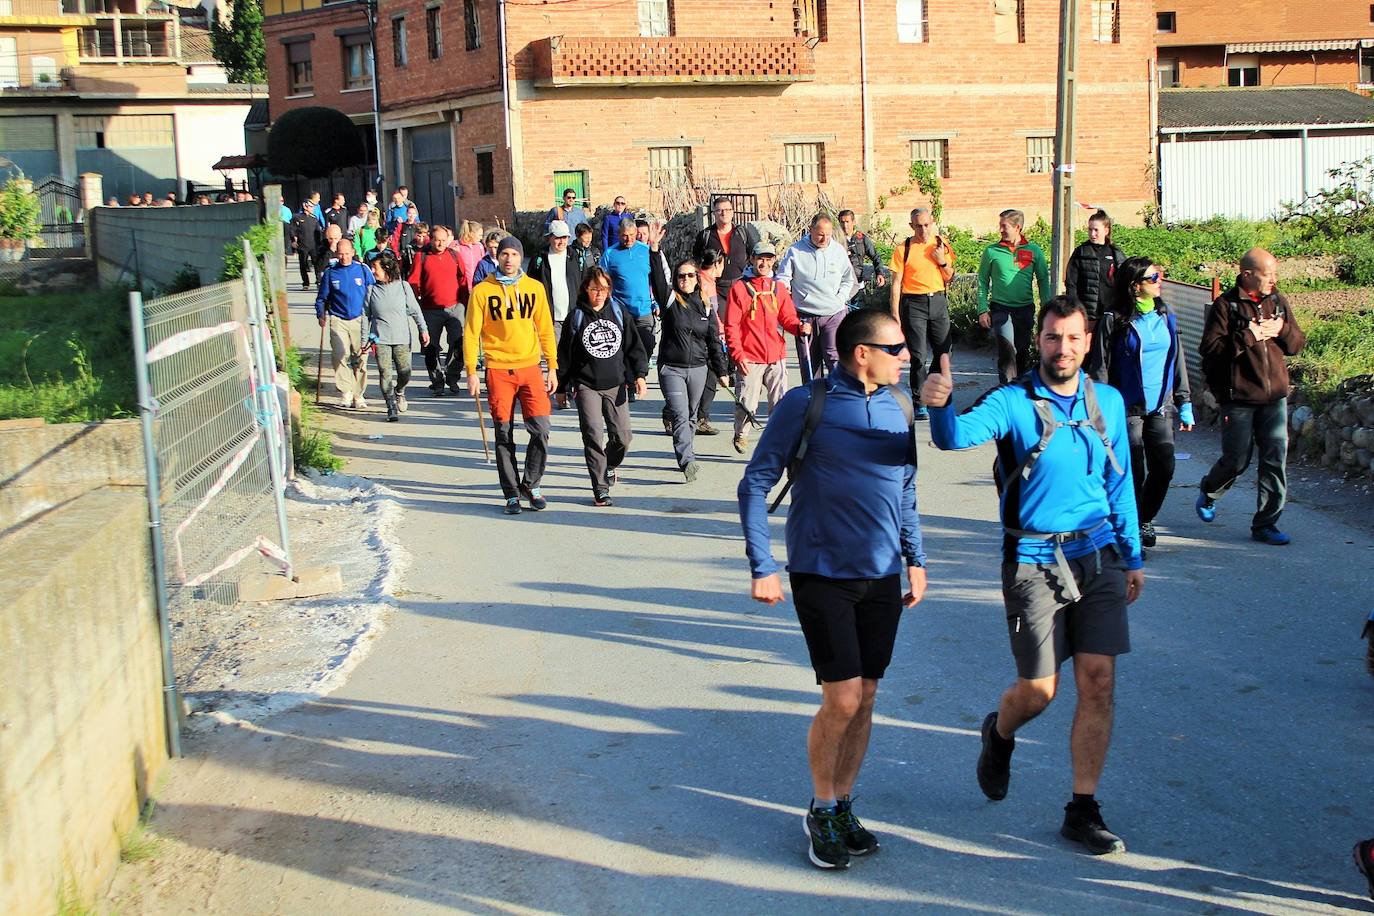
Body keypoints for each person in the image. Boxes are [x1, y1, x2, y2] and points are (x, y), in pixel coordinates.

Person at [924, 295, 1143, 856]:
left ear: (1087, 342)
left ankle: (1082, 809)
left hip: (1099, 558)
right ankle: (999, 734)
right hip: (1034, 563)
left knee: (1098, 682)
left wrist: (1132, 556)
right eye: (1052, 337)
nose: (1062, 348)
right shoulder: (1013, 402)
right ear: (1037, 341)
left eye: (1072, 338)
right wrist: (940, 406)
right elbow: (953, 439)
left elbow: (1119, 485)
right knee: (1040, 691)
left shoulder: (1109, 403)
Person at [738, 308, 927, 870]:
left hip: (883, 573)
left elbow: (906, 489)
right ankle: (820, 807)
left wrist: (915, 558)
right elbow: (755, 482)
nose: (906, 357)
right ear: (860, 352)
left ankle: (843, 803)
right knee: (842, 697)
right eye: (895, 349)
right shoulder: (807, 403)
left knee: (867, 697)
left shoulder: (899, 406)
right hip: (821, 572)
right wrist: (762, 563)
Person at [1196, 247, 1307, 545]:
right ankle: (1209, 491)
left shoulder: (1278, 302)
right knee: (1236, 460)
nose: (1273, 279)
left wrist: (1282, 329)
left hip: (1275, 398)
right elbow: (1210, 351)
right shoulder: (1226, 306)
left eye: (1274, 273)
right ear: (1248, 275)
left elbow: (1297, 344)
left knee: (1274, 460)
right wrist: (1249, 335)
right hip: (1240, 398)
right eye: (1267, 274)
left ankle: (1266, 524)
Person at [1091, 257, 1194, 551]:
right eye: (1153, 278)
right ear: (1135, 287)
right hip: (1127, 408)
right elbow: (1100, 369)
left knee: (1165, 467)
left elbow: (1178, 360)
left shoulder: (1165, 315)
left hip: (1160, 406)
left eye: (1158, 275)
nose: (1159, 280)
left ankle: (1143, 518)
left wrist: (1184, 400)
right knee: (1133, 472)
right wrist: (1101, 412)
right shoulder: (1114, 319)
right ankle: (1131, 530)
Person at [464, 237, 558, 515]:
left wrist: (552, 365)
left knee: (541, 430)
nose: (509, 259)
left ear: (521, 257)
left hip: (530, 368)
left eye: (514, 254)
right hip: (498, 369)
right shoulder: (482, 291)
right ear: (497, 256)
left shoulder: (535, 288)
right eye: (504, 254)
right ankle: (512, 493)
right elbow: (471, 333)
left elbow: (545, 329)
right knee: (504, 433)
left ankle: (532, 483)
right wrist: (471, 371)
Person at [555, 267, 649, 506]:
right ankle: (600, 488)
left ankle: (608, 464)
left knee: (623, 437)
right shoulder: (576, 317)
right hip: (586, 385)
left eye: (604, 289)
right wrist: (561, 388)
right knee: (593, 435)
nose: (599, 293)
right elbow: (564, 356)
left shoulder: (619, 313)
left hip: (616, 384)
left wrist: (639, 375)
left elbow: (634, 348)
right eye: (595, 288)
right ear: (586, 289)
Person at [724, 242, 809, 454]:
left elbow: (787, 317)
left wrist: (798, 328)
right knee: (747, 402)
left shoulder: (778, 289)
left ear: (774, 261)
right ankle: (741, 434)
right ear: (752, 259)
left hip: (776, 354)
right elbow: (731, 325)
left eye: (769, 259)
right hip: (749, 355)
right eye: (760, 258)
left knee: (779, 403)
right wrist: (737, 354)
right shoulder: (739, 289)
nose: (764, 263)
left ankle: (776, 440)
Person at [657, 259, 730, 482]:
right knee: (679, 414)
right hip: (672, 368)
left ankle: (688, 451)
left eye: (690, 275)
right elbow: (657, 278)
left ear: (696, 278)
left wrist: (722, 370)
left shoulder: (705, 304)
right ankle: (687, 460)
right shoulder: (669, 300)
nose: (685, 279)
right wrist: (654, 250)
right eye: (681, 276)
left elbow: (714, 340)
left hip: (698, 368)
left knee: (690, 415)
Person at [888, 207, 955, 418]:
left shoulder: (941, 244)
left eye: (926, 225)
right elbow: (896, 284)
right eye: (918, 226)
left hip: (937, 300)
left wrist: (942, 260)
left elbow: (950, 276)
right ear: (911, 226)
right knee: (918, 355)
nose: (923, 230)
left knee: (944, 351)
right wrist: (895, 314)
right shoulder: (904, 248)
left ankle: (932, 389)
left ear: (932, 222)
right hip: (913, 303)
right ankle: (919, 401)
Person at [777, 213, 856, 383]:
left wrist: (840, 298)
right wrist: (784, 297)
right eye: (820, 234)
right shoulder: (795, 251)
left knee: (834, 357)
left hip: (833, 313)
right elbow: (782, 278)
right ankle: (814, 400)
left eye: (828, 234)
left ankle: (839, 397)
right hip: (805, 315)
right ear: (811, 230)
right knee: (809, 363)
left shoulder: (837, 250)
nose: (824, 239)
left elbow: (848, 279)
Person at [977, 209, 1051, 385]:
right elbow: (982, 280)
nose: (1000, 230)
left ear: (1017, 227)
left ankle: (1023, 389)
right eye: (1000, 225)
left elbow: (1043, 280)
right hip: (1000, 308)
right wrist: (982, 309)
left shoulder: (1034, 250)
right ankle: (1007, 390)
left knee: (1022, 350)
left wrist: (1047, 311)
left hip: (1025, 309)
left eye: (1004, 226)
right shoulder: (991, 251)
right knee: (1007, 348)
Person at [365, 249, 430, 421]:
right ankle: (390, 405)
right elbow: (366, 316)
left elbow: (416, 311)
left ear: (387, 269)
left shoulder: (403, 286)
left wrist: (423, 329)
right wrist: (364, 339)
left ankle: (399, 390)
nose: (373, 271)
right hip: (380, 339)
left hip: (401, 338)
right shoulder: (371, 289)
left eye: (375, 268)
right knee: (385, 372)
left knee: (404, 371)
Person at [408, 224, 468, 396]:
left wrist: (465, 304)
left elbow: (463, 280)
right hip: (430, 310)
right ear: (431, 239)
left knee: (459, 345)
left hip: (454, 307)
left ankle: (452, 376)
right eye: (437, 240)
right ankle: (437, 381)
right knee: (431, 348)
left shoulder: (455, 256)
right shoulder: (422, 257)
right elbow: (413, 281)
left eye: (443, 240)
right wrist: (417, 302)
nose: (440, 244)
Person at [315, 238, 375, 410]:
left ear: (353, 252)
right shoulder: (330, 272)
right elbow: (322, 297)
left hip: (360, 318)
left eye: (347, 253)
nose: (344, 257)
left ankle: (358, 394)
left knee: (360, 357)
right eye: (340, 254)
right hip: (337, 318)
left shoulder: (362, 270)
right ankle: (345, 391)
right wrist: (321, 314)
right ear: (336, 253)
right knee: (340, 355)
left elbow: (373, 293)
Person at [601, 219, 660, 371]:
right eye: (625, 236)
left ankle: (639, 372)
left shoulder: (646, 251)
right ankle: (630, 384)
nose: (629, 239)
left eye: (632, 235)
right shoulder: (610, 254)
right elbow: (601, 281)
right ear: (618, 234)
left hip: (644, 310)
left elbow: (657, 279)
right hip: (620, 312)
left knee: (647, 345)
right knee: (624, 351)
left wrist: (657, 303)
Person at [1064, 209, 1126, 334]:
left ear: (1106, 231)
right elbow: (1071, 284)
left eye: (1096, 230)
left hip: (1110, 314)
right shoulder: (1081, 252)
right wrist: (1076, 310)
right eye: (1090, 229)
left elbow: (1124, 283)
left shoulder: (1116, 254)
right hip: (1088, 315)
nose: (1092, 234)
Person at [530, 220, 583, 346]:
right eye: (558, 238)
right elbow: (531, 286)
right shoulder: (539, 258)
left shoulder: (576, 257)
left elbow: (584, 283)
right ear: (549, 238)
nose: (562, 242)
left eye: (564, 237)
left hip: (574, 316)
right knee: (556, 356)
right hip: (551, 318)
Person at [692, 249, 727, 436]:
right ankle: (701, 418)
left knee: (706, 376)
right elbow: (709, 312)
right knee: (707, 376)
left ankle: (700, 416)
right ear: (716, 264)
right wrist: (720, 329)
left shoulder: (706, 281)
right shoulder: (704, 283)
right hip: (705, 335)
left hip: (707, 333)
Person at [693, 197, 752, 302]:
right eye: (719, 210)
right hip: (716, 288)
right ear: (714, 213)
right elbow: (696, 260)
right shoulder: (705, 235)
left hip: (740, 284)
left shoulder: (742, 232)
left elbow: (752, 254)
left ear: (732, 212)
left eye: (727, 210)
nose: (724, 213)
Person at [839, 209, 888, 309]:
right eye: (842, 222)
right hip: (840, 286)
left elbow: (875, 257)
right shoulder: (835, 240)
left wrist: (880, 273)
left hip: (857, 285)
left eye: (847, 222)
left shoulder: (861, 238)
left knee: (856, 317)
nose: (845, 225)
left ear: (853, 222)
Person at [291, 202, 323, 290]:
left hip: (313, 245)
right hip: (302, 245)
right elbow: (292, 230)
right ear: (305, 206)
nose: (312, 208)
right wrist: (293, 240)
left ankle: (319, 280)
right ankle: (305, 283)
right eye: (311, 206)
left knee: (317, 264)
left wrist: (320, 244)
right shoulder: (297, 217)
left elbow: (318, 232)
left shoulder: (314, 218)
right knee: (303, 264)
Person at [454, 220, 486, 288]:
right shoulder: (456, 246)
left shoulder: (480, 246)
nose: (481, 238)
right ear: (471, 234)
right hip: (462, 285)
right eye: (480, 235)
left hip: (477, 284)